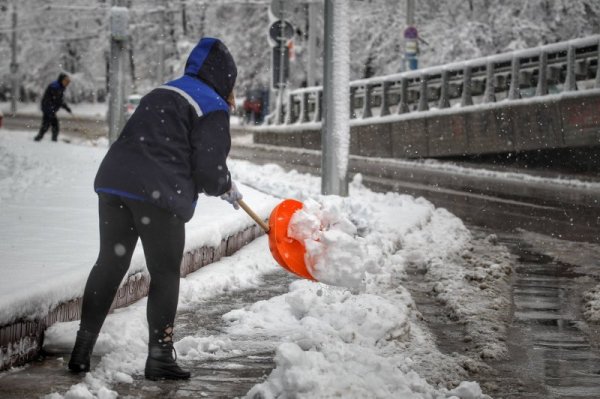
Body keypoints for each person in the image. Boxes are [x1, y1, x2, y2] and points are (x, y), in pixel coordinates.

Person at [68, 37, 243, 380]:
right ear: (226, 77)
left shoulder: (164, 91)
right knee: (164, 273)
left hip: (115, 183)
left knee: (110, 262)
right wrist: (224, 185)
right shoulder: (212, 104)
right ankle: (160, 357)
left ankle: (81, 350)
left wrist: (220, 182)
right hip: (158, 193)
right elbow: (208, 172)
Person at [34, 73, 72, 142]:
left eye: (68, 82)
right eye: (66, 81)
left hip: (50, 108)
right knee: (53, 125)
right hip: (48, 108)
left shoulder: (60, 86)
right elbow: (58, 100)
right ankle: (51, 140)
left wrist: (66, 107)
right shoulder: (55, 86)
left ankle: (40, 138)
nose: (67, 83)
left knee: (47, 124)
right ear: (61, 80)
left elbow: (59, 100)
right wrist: (66, 107)